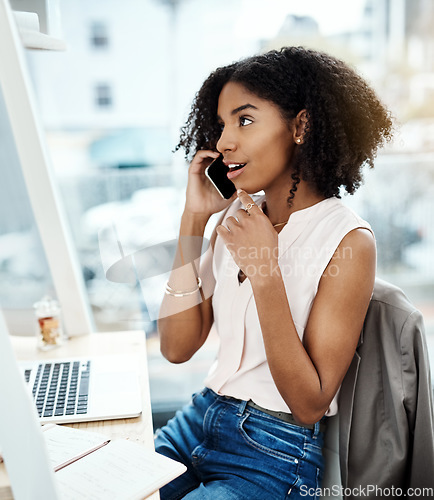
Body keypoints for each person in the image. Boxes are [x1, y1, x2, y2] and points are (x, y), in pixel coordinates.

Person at [155, 46, 393, 499]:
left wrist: (266, 271)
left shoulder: (348, 240)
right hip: (198, 420)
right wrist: (193, 219)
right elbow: (176, 347)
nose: (225, 141)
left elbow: (308, 404)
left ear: (300, 126)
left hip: (270, 451)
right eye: (222, 124)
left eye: (244, 121)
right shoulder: (236, 219)